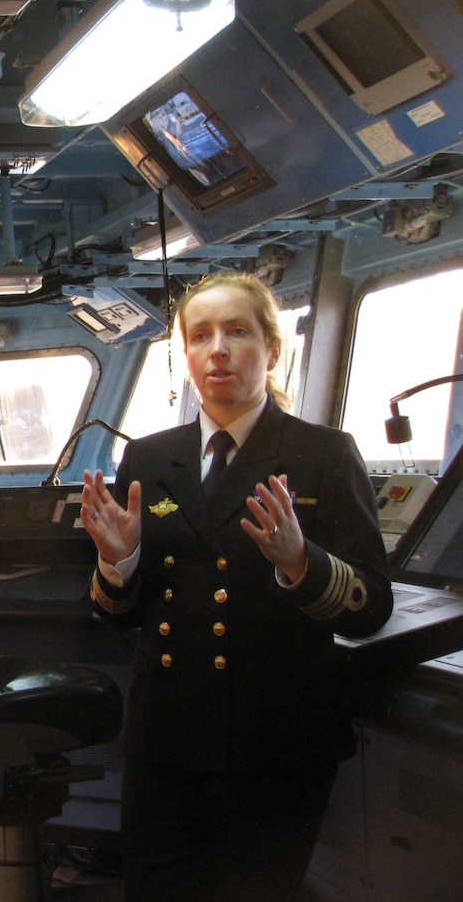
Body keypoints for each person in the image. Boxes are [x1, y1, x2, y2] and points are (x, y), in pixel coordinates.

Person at [80, 272, 392, 902]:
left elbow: (371, 607)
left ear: (272, 351)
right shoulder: (148, 457)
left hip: (277, 740)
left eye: (237, 332)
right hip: (168, 738)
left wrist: (303, 562)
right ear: (187, 356)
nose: (217, 349)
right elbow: (122, 613)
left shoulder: (323, 454)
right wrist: (119, 562)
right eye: (200, 336)